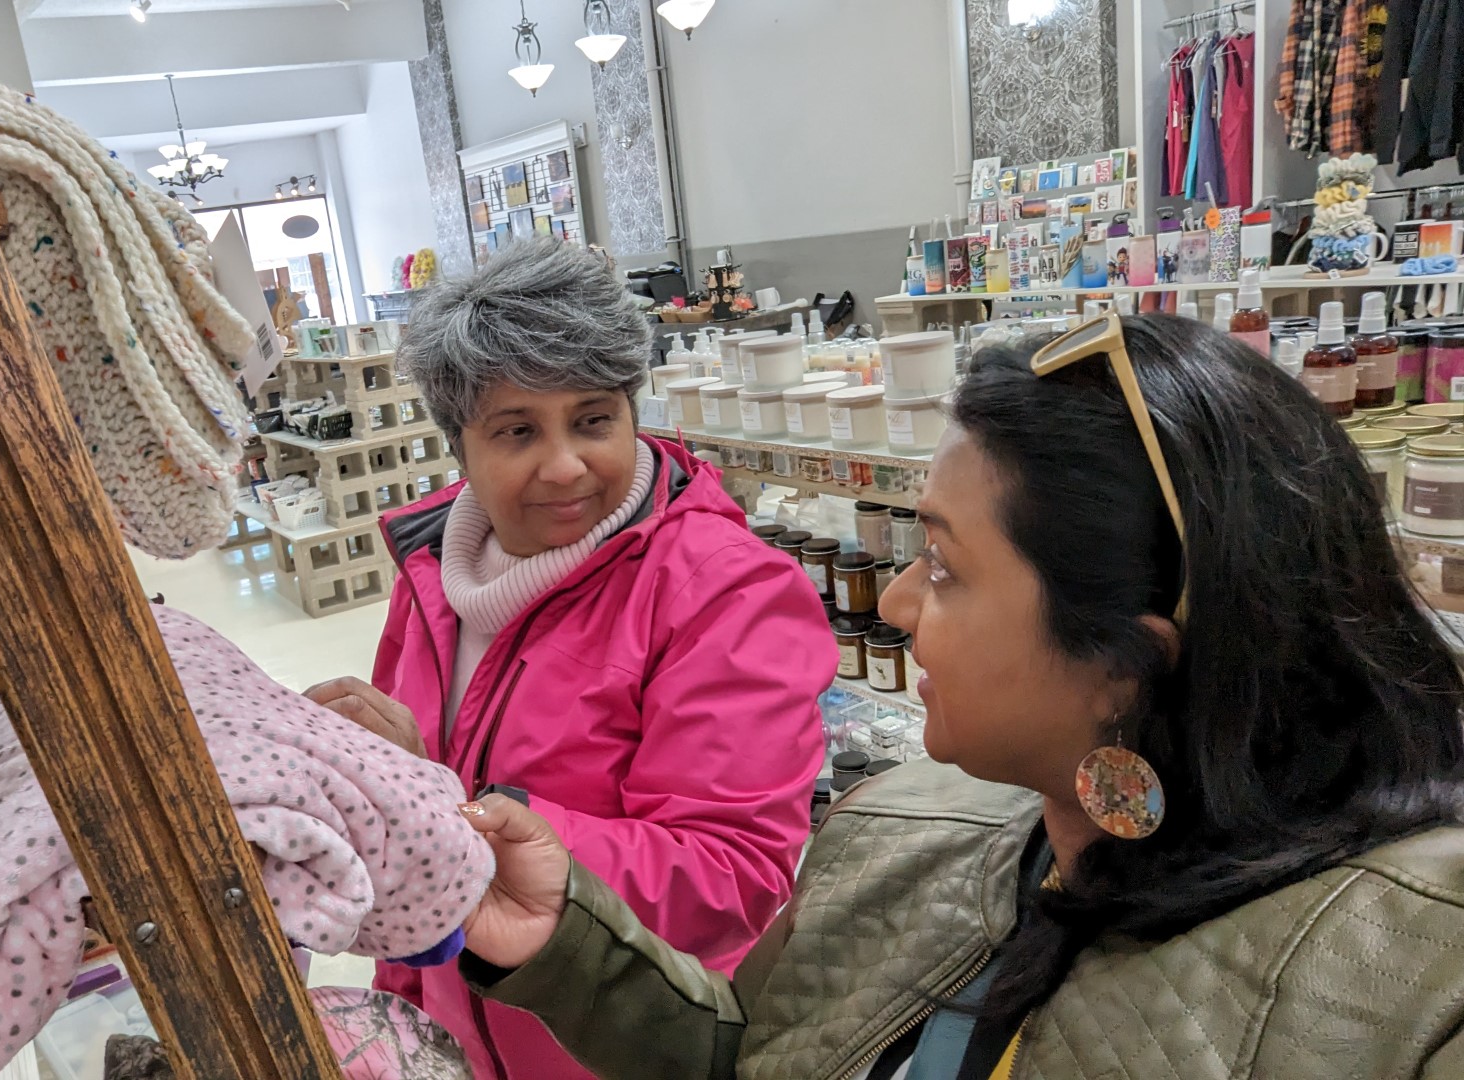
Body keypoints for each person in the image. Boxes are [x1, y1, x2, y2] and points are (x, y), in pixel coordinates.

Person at [449, 314, 1464, 1079]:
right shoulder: (900, 828)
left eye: (941, 564)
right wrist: (566, 941)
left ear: (1124, 662)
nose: (891, 599)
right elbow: (769, 1057)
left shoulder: (1405, 1000)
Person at [307, 239, 833, 1080]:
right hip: (464, 1033)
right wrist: (403, 1014)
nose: (564, 466)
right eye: (517, 431)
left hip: (622, 1042)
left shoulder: (722, 591)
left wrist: (447, 809)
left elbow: (728, 879)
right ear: (461, 447)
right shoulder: (432, 575)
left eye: (593, 419)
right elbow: (407, 847)